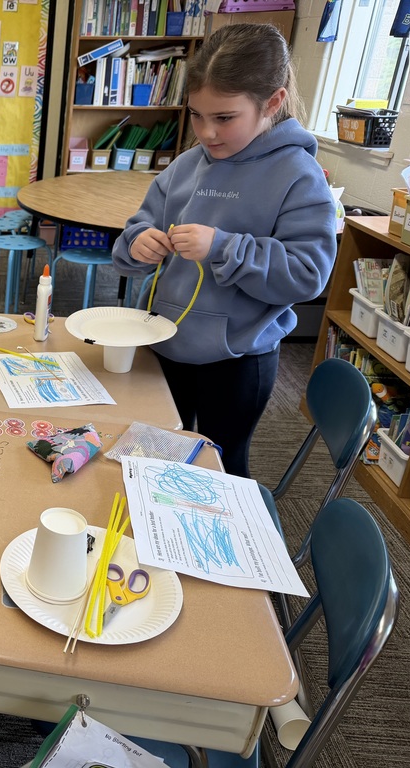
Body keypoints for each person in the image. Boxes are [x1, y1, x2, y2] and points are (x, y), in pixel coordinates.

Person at [111, 23, 336, 478]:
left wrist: (223, 247)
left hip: (237, 361)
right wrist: (139, 243)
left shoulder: (299, 174)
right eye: (197, 115)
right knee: (153, 457)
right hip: (162, 343)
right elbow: (131, 239)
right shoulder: (186, 165)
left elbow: (308, 274)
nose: (207, 132)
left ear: (272, 102)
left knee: (220, 470)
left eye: (225, 118)